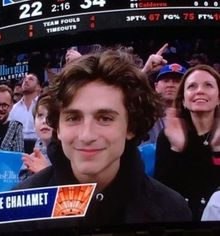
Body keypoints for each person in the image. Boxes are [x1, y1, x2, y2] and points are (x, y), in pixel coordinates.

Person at [10, 49, 191, 230]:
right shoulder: (18, 209)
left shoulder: (172, 209)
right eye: (73, 118)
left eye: (105, 118)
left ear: (131, 126)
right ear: (57, 127)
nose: (87, 135)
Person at [154, 64, 220, 221]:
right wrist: (177, 151)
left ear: (219, 98)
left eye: (208, 85)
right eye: (192, 86)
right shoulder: (168, 136)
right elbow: (160, 192)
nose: (199, 91)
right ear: (183, 100)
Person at [141, 63, 187, 145]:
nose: (170, 85)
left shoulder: (193, 116)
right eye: (165, 81)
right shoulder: (143, 110)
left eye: (177, 81)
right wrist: (144, 72)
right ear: (156, 86)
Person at [19, 93, 53, 180]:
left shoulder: (70, 157)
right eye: (40, 115)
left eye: (51, 116)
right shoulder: (29, 161)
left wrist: (45, 172)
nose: (44, 121)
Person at [0, 84, 24, 152]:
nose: (0, 109)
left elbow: (18, 158)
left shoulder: (15, 128)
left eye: (4, 105)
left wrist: (2, 156)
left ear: (11, 106)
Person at [8, 73, 41, 154]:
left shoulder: (44, 106)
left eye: (31, 79)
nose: (26, 80)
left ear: (38, 88)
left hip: (40, 148)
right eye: (25, 79)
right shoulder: (13, 109)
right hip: (18, 150)